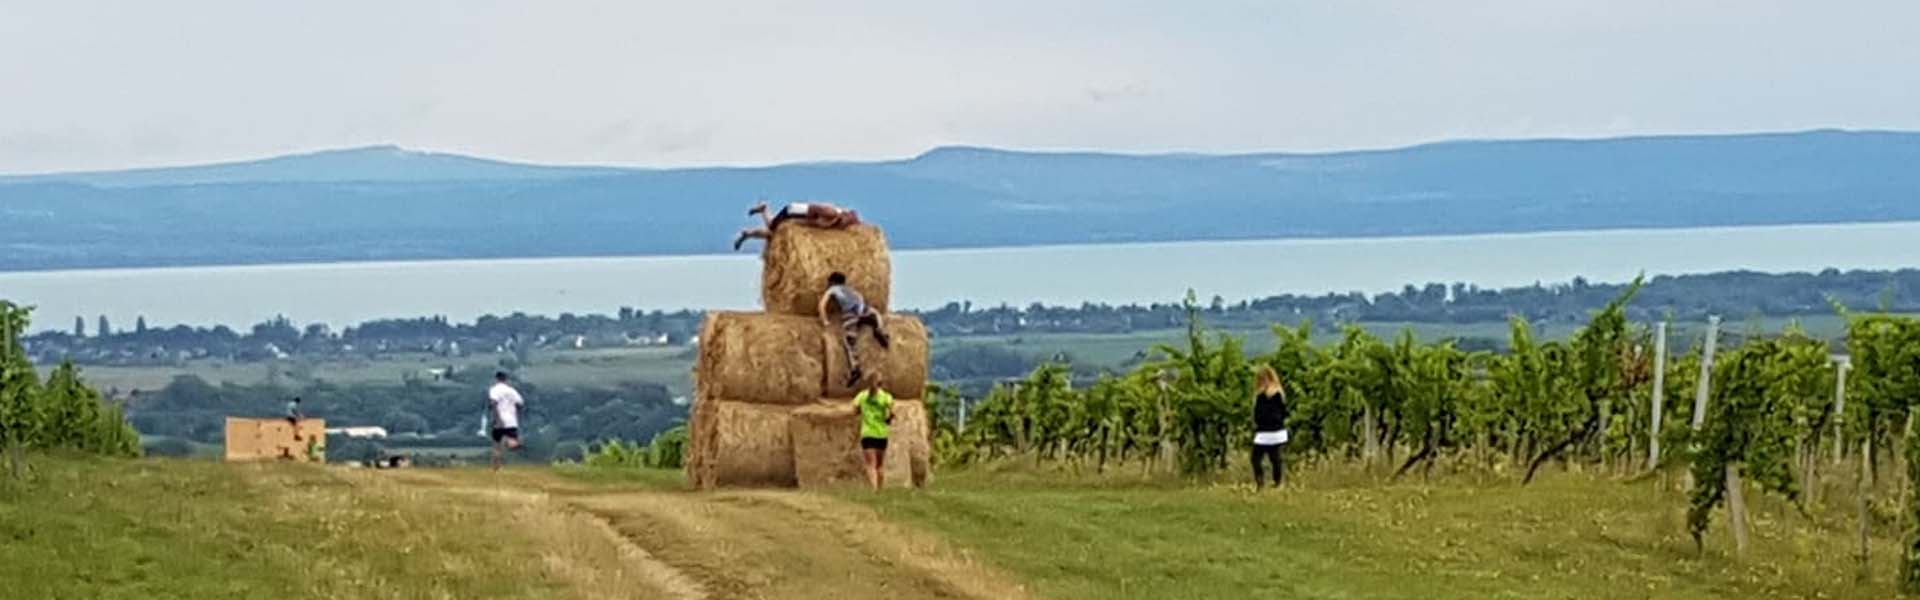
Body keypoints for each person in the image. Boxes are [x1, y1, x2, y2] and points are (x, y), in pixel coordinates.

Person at [817, 271, 890, 386]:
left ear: (832, 282)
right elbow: (860, 299)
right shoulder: (851, 290)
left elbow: (822, 305)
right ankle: (879, 330)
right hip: (864, 309)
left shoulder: (833, 289)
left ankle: (855, 368)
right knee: (876, 314)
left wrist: (825, 320)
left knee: (849, 342)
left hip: (850, 314)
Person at [733, 200, 862, 250]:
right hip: (793, 212)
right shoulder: (831, 213)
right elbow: (813, 217)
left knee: (774, 235)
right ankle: (763, 210)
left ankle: (748, 233)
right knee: (773, 227)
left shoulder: (837, 217)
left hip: (800, 215)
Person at [851, 371, 894, 490]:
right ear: (881, 384)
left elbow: (854, 411)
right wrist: (888, 419)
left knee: (870, 464)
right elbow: (891, 413)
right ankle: (880, 489)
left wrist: (863, 411)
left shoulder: (862, 396)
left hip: (868, 433)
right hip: (882, 433)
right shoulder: (886, 397)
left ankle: (873, 489)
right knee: (880, 465)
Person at [1251, 365, 1291, 489]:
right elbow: (1284, 412)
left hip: (1265, 431)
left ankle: (1260, 482)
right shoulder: (1279, 393)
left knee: (1256, 458)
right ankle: (1277, 482)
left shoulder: (1261, 396)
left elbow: (1257, 413)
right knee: (1275, 457)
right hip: (1277, 430)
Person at [487, 371, 526, 471]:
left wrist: (497, 419)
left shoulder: (494, 390)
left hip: (500, 420)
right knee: (511, 441)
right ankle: (514, 443)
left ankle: (496, 467)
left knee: (496, 445)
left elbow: (494, 404)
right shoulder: (511, 390)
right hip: (511, 421)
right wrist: (516, 413)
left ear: (496, 379)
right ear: (506, 379)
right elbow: (520, 403)